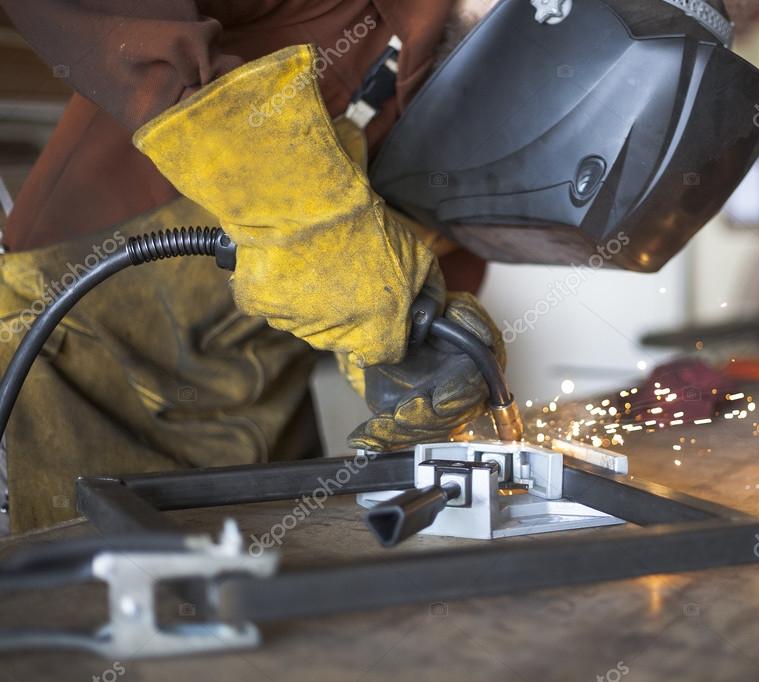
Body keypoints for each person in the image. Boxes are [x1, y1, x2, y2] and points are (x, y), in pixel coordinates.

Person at [0, 0, 507, 533]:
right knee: (93, 593)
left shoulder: (469, 102)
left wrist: (407, 350)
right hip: (74, 360)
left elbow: (411, 276)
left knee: (276, 600)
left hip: (262, 427)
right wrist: (286, 197)